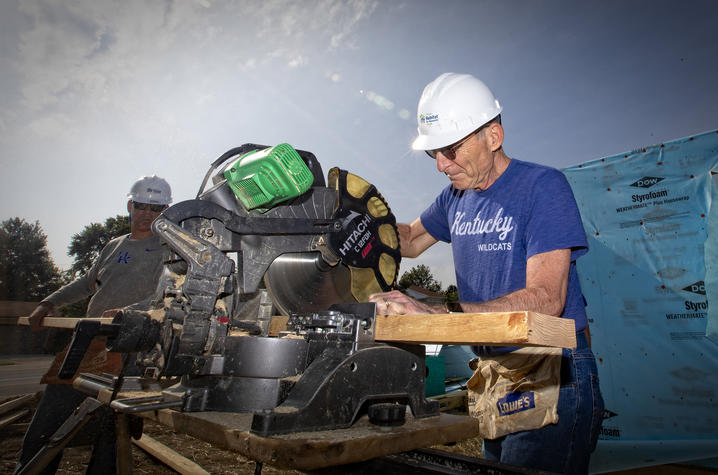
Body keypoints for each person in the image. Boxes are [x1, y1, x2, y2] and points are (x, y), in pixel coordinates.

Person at [369, 73, 604, 474]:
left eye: (451, 150)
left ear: (493, 136)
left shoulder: (542, 186)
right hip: (495, 371)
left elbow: (548, 299)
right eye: (433, 154)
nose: (442, 165)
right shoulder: (455, 197)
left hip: (550, 369)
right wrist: (360, 218)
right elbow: (406, 241)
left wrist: (445, 319)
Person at [15, 175, 172, 475]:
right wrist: (48, 302)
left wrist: (127, 313)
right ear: (130, 205)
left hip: (129, 350)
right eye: (141, 206)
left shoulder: (169, 248)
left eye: (156, 209)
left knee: (109, 436)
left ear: (166, 211)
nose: (147, 214)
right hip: (87, 344)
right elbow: (87, 283)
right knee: (47, 425)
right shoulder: (113, 246)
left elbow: (168, 296)